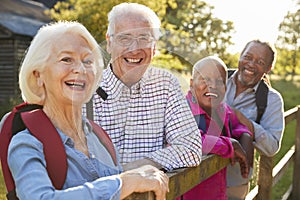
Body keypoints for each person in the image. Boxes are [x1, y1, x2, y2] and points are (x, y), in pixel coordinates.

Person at [3, 21, 169, 200]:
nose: (80, 69)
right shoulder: (27, 143)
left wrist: (137, 176)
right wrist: (124, 182)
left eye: (88, 61)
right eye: (66, 59)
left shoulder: (100, 139)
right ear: (38, 76)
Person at [91, 2, 202, 172]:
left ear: (154, 46)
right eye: (124, 38)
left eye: (144, 38)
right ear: (109, 43)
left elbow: (191, 149)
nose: (134, 49)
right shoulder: (87, 90)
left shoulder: (166, 85)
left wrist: (132, 170)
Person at [179, 56, 253, 200]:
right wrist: (229, 144)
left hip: (217, 192)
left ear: (225, 88)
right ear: (192, 84)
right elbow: (187, 141)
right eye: (205, 80)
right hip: (188, 193)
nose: (212, 85)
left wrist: (245, 136)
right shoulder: (181, 110)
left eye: (219, 81)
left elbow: (237, 124)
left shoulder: (221, 110)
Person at [225, 40, 285, 200]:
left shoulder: (271, 100)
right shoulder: (216, 78)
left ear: (268, 68)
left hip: (233, 183)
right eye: (248, 57)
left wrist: (246, 123)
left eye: (260, 62)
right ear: (240, 56)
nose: (251, 64)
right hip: (196, 177)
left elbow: (271, 147)